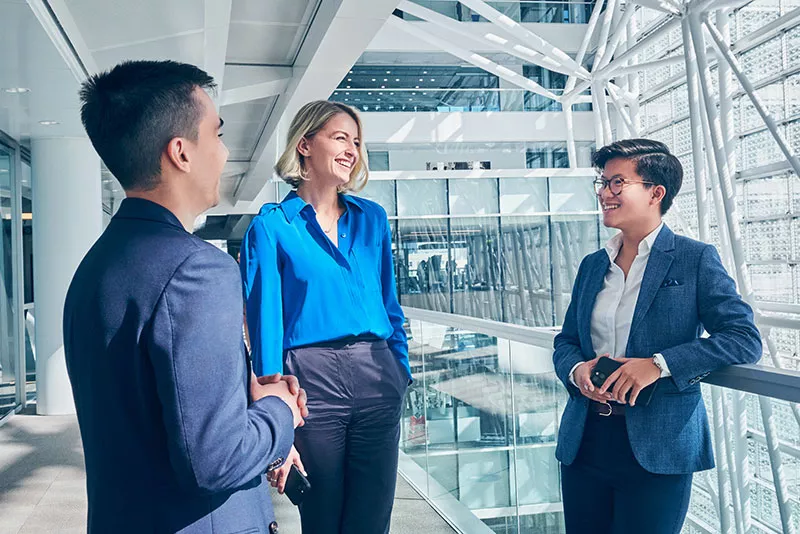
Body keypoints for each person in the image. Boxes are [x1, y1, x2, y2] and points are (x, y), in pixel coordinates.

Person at [63, 60, 307, 534]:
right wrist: (279, 409)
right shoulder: (198, 270)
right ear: (181, 152)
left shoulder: (94, 268)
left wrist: (243, 399)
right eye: (215, 134)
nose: (224, 150)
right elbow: (214, 461)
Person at [552, 139, 762, 534]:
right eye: (602, 182)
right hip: (585, 442)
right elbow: (565, 341)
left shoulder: (693, 258)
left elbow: (743, 338)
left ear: (655, 192)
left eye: (617, 183)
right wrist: (577, 369)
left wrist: (658, 365)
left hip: (659, 447)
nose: (604, 193)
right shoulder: (593, 265)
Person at [240, 100, 410, 534]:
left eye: (356, 141)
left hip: (377, 373)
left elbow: (389, 301)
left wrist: (400, 369)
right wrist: (273, 403)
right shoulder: (272, 226)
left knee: (372, 518)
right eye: (340, 137)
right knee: (322, 515)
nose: (352, 149)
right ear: (304, 145)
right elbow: (264, 325)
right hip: (311, 381)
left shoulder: (372, 218)